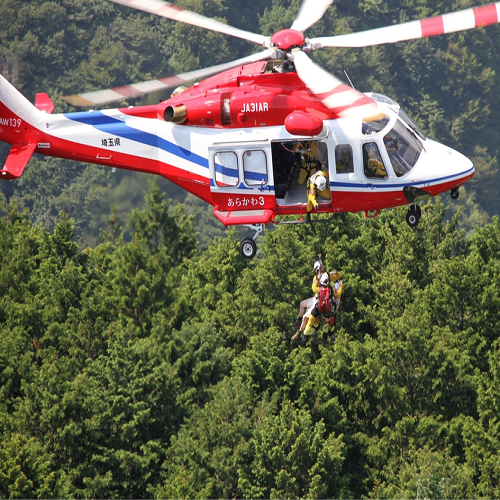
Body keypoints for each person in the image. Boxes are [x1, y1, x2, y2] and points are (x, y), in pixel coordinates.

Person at [292, 266, 343, 344]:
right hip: (324, 305)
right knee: (332, 313)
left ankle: (305, 334)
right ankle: (326, 334)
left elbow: (314, 288)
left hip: (319, 303)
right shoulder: (327, 286)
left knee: (309, 317)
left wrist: (319, 280)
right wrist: (340, 285)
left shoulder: (323, 281)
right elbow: (338, 292)